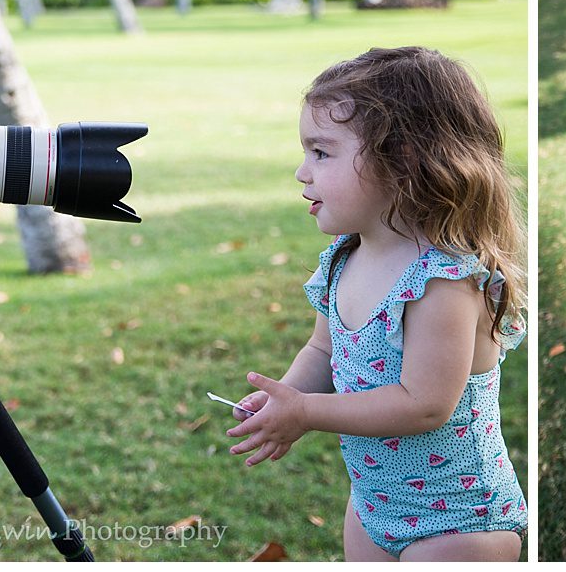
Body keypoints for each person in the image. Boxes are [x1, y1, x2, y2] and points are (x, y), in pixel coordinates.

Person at [225, 47, 528, 561]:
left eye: (321, 153)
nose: (302, 171)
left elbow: (425, 403)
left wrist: (308, 413)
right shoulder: (344, 259)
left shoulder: (444, 281)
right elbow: (323, 351)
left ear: (403, 159)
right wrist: (287, 398)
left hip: (458, 521)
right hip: (373, 505)